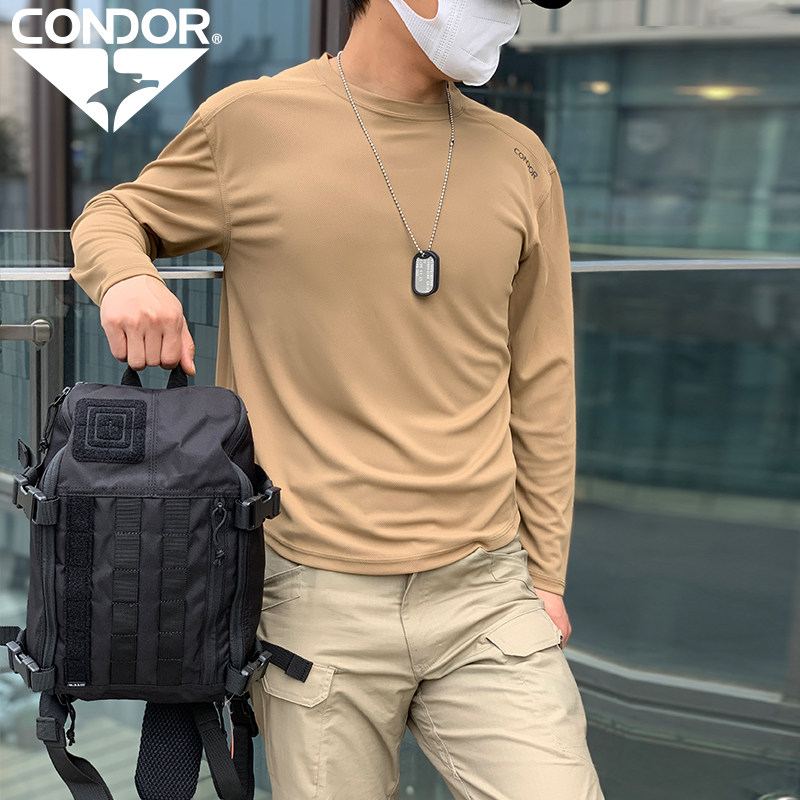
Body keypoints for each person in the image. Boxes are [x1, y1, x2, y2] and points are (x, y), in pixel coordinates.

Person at [70, 0, 605, 797]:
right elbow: (113, 214)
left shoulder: (520, 158)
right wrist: (127, 278)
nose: (506, 15)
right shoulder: (250, 123)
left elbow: (543, 379)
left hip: (487, 592)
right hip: (312, 595)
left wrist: (547, 576)